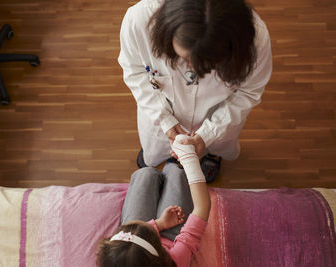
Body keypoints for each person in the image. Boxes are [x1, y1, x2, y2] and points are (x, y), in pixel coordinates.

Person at [118, 0, 272, 182]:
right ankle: (156, 152)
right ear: (167, 29)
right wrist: (163, 118)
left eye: (207, 63)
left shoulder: (255, 39)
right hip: (160, 106)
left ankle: (212, 155)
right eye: (184, 58)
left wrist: (208, 134)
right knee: (154, 146)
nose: (192, 70)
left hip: (219, 113)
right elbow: (134, 71)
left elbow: (249, 92)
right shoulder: (140, 19)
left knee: (217, 144)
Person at [97, 135, 211, 267]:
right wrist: (190, 159)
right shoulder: (175, 260)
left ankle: (153, 169)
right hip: (170, 238)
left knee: (146, 175)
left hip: (132, 248)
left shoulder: (117, 259)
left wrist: (160, 223)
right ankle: (173, 164)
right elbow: (202, 208)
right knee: (176, 174)